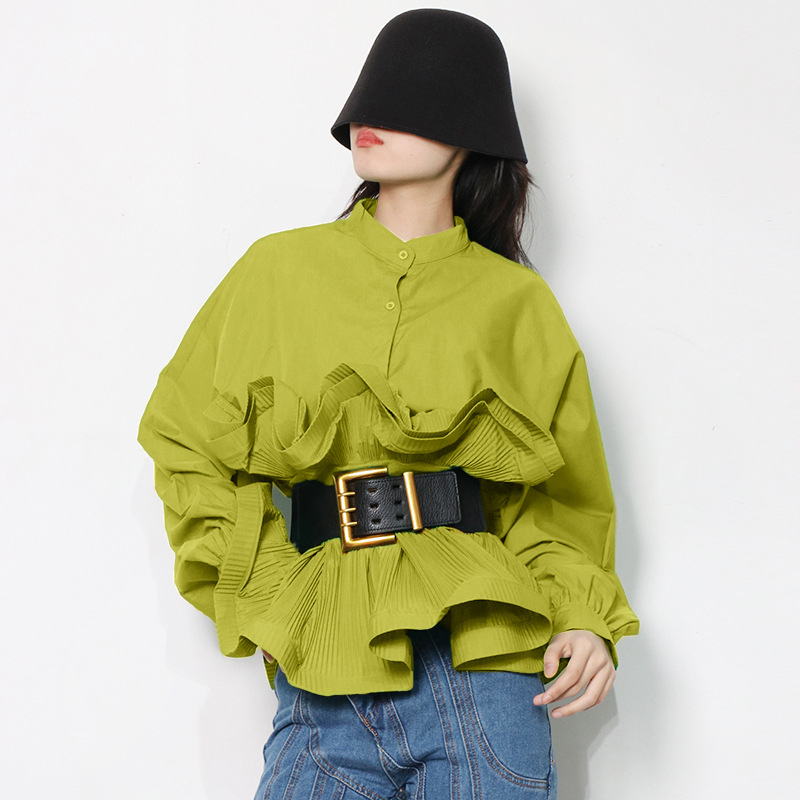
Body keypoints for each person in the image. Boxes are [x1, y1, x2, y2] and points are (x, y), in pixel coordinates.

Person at [138, 9, 639, 799]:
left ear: (473, 126)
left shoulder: (516, 302)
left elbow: (560, 504)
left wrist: (582, 615)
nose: (371, 116)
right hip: (323, 682)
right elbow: (185, 441)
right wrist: (266, 589)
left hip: (487, 672)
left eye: (416, 94)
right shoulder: (276, 272)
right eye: (370, 95)